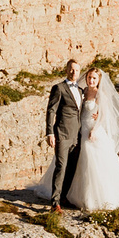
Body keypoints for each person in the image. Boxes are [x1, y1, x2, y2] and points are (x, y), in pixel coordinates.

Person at [63, 66, 119, 212]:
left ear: (99, 80)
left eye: (94, 78)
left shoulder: (100, 94)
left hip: (92, 129)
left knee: (92, 160)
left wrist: (94, 130)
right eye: (89, 77)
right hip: (80, 128)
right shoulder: (84, 91)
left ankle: (94, 197)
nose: (91, 80)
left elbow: (103, 115)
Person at [40, 59, 84, 206]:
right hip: (62, 134)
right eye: (71, 69)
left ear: (79, 72)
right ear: (66, 70)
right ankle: (55, 202)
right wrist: (49, 133)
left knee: (71, 168)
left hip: (77, 137)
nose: (73, 72)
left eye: (76, 70)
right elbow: (51, 110)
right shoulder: (58, 88)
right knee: (61, 167)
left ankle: (64, 197)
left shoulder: (80, 90)